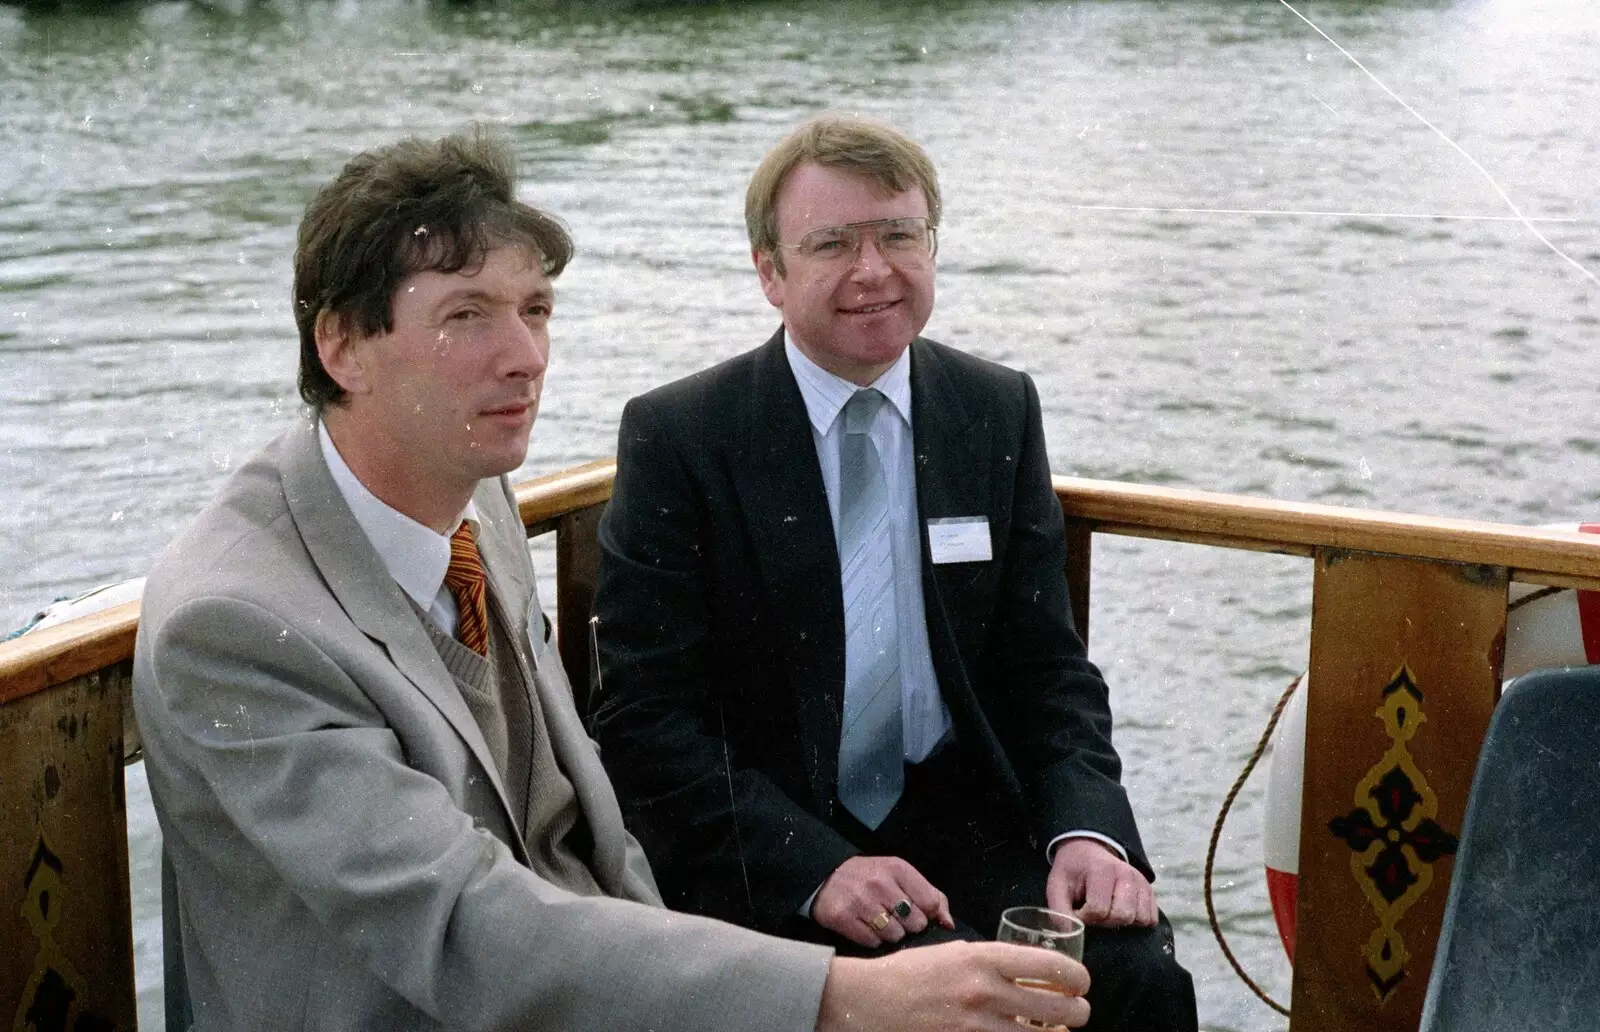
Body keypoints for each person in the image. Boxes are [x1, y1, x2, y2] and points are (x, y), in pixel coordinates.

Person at [130, 128, 1092, 1032]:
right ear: (340, 345)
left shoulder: (471, 498)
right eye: (467, 317)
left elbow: (577, 815)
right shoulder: (237, 624)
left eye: (536, 310)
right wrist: (839, 998)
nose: (527, 357)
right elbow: (462, 924)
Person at [589, 114, 1198, 1032]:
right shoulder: (684, 436)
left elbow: (1049, 669)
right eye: (833, 243)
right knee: (936, 1010)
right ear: (770, 274)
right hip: (773, 844)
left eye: (899, 235)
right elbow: (643, 716)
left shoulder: (995, 409)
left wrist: (1089, 830)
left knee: (1133, 974)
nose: (874, 271)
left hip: (960, 817)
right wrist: (813, 864)